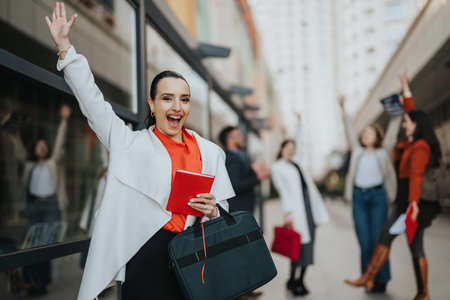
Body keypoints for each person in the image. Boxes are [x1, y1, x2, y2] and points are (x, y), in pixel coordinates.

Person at [45, 3, 235, 299]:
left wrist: (213, 211)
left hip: (193, 254)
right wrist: (66, 49)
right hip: (144, 257)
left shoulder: (210, 152)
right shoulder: (129, 143)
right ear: (152, 104)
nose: (176, 107)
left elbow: (224, 214)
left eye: (184, 99)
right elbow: (93, 103)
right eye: (167, 98)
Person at [345, 74, 441, 300]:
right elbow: (411, 116)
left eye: (407, 122)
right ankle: (374, 279)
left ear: (415, 126)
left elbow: (416, 176)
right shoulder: (412, 141)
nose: (404, 124)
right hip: (407, 203)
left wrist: (414, 205)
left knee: (405, 242)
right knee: (400, 241)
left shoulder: (419, 147)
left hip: (415, 204)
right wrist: (407, 91)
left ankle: (379, 280)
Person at [338, 80, 405, 292]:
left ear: (377, 136)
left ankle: (381, 278)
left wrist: (400, 100)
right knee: (364, 241)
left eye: (370, 132)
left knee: (379, 240)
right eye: (364, 132)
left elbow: (394, 126)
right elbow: (349, 131)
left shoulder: (383, 152)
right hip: (359, 198)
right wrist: (343, 110)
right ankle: (367, 277)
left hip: (378, 198)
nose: (366, 134)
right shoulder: (357, 152)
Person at [20, 104, 71, 296]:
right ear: (34, 149)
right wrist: (14, 132)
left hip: (50, 205)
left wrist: (64, 121)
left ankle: (42, 283)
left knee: (46, 246)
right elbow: (17, 149)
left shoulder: (51, 163)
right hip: (33, 205)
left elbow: (59, 144)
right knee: (32, 245)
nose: (42, 147)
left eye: (44, 145)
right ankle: (29, 283)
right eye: (38, 145)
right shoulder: (29, 165)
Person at [271, 134, 329, 296]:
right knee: (297, 247)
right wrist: (287, 213)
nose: (291, 151)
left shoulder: (297, 165)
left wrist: (299, 123)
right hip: (296, 212)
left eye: (293, 149)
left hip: (309, 210)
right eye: (288, 148)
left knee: (308, 247)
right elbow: (283, 191)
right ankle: (292, 280)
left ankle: (301, 279)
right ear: (281, 149)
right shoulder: (278, 167)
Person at [218, 126, 270, 213]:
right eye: (238, 135)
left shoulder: (237, 157)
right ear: (229, 140)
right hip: (238, 210)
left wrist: (252, 168)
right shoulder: (230, 159)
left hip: (242, 209)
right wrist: (258, 177)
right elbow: (236, 185)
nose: (242, 137)